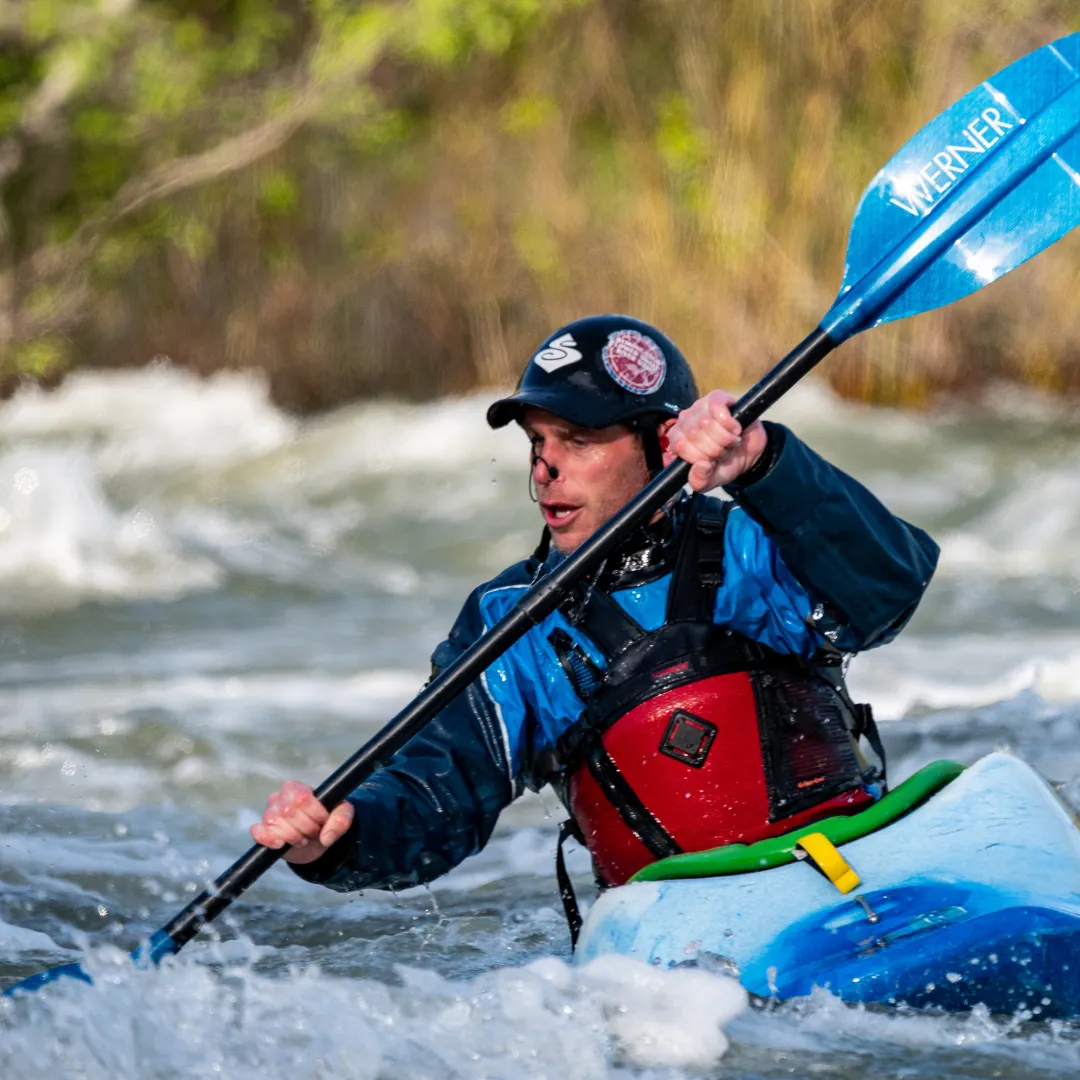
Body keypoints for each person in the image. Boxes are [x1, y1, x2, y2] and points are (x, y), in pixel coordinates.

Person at [250, 314, 939, 924]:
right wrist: (341, 838)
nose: (545, 467)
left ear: (664, 443)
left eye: (578, 440)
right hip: (679, 933)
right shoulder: (510, 624)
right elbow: (440, 794)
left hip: (846, 867)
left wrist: (765, 461)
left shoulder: (754, 543)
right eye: (537, 441)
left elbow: (888, 591)